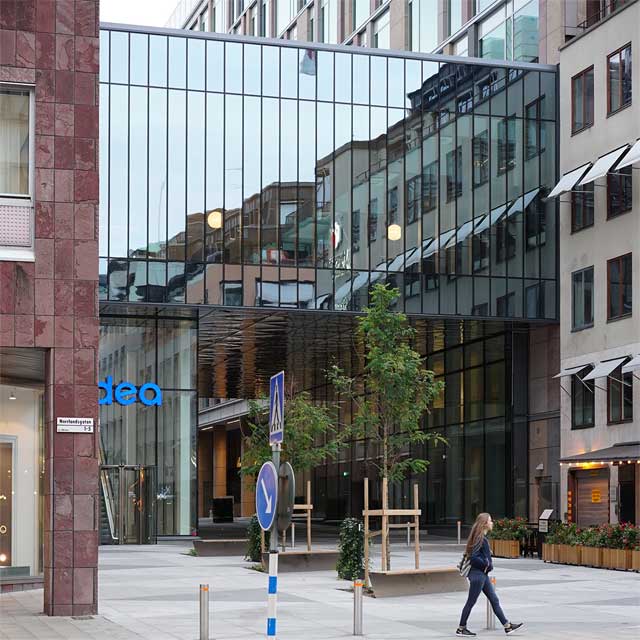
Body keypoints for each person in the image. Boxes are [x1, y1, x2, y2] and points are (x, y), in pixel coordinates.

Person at [456, 513, 524, 636]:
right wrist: (487, 564)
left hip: (482, 574)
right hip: (478, 575)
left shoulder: (480, 537)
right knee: (471, 602)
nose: (492, 523)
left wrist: (486, 565)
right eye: (490, 521)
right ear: (485, 524)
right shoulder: (480, 538)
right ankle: (461, 628)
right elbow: (474, 557)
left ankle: (507, 626)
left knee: (494, 599)